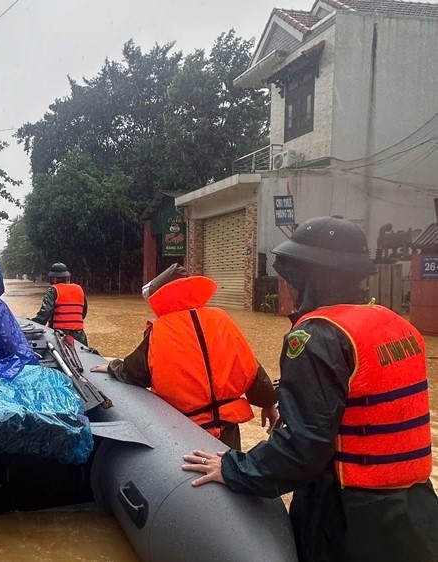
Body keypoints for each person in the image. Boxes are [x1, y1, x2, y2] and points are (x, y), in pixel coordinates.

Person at [182, 216, 438, 562]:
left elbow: (304, 448)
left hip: (347, 515)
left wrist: (233, 468)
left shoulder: (317, 335)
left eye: (291, 277)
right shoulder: (397, 324)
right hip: (416, 510)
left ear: (308, 278)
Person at [90, 263, 278, 450]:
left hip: (185, 431)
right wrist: (268, 403)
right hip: (228, 429)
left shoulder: (160, 329)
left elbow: (136, 372)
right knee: (227, 468)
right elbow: (250, 367)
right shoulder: (221, 318)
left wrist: (113, 366)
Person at [31, 262, 89, 346]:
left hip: (59, 334)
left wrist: (32, 323)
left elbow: (44, 314)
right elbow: (83, 312)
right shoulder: (79, 289)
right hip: (79, 335)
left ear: (54, 278)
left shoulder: (53, 290)